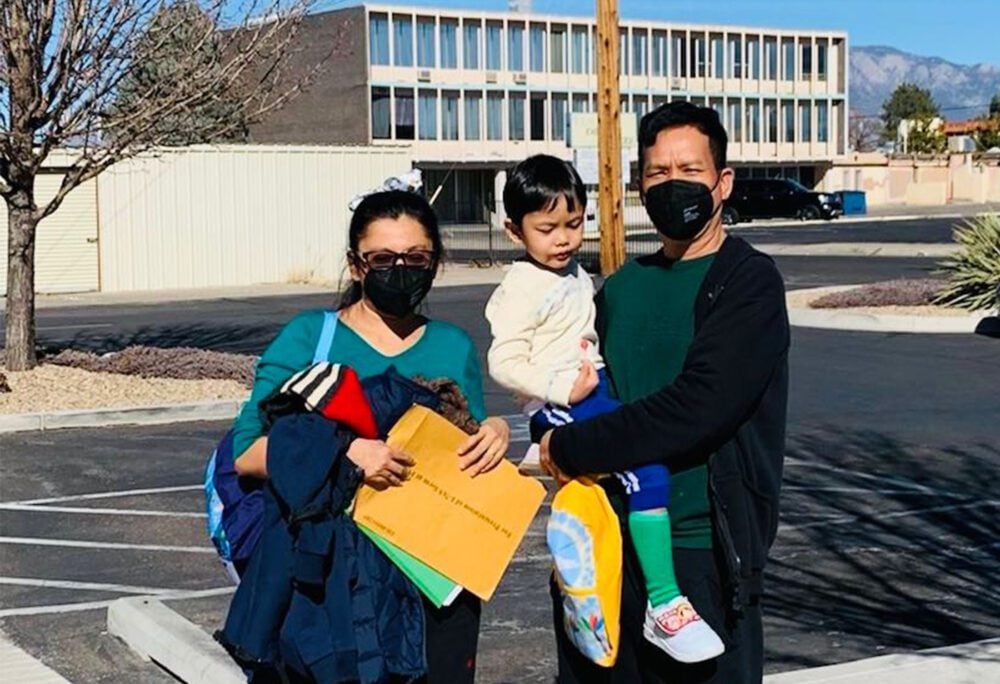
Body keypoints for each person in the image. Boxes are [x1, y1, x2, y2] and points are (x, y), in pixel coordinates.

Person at [539, 102, 790, 683]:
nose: (673, 185)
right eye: (658, 173)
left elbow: (697, 408)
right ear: (640, 185)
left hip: (700, 554)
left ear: (723, 183)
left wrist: (573, 447)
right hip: (606, 549)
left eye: (690, 170)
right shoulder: (621, 288)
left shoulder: (747, 283)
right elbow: (571, 381)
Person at [231, 187, 511, 684]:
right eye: (382, 259)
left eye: (416, 258)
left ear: (435, 263)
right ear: (356, 265)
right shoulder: (309, 338)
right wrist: (344, 453)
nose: (400, 270)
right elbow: (248, 453)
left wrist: (495, 430)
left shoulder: (452, 346)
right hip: (331, 580)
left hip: (434, 574)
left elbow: (464, 442)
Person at [484, 154, 725, 663]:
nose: (564, 239)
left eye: (574, 224)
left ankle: (602, 592)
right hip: (561, 405)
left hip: (593, 393)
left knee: (613, 492)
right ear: (513, 231)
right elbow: (503, 362)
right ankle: (664, 602)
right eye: (547, 229)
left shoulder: (569, 271)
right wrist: (559, 390)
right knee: (646, 470)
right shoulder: (520, 288)